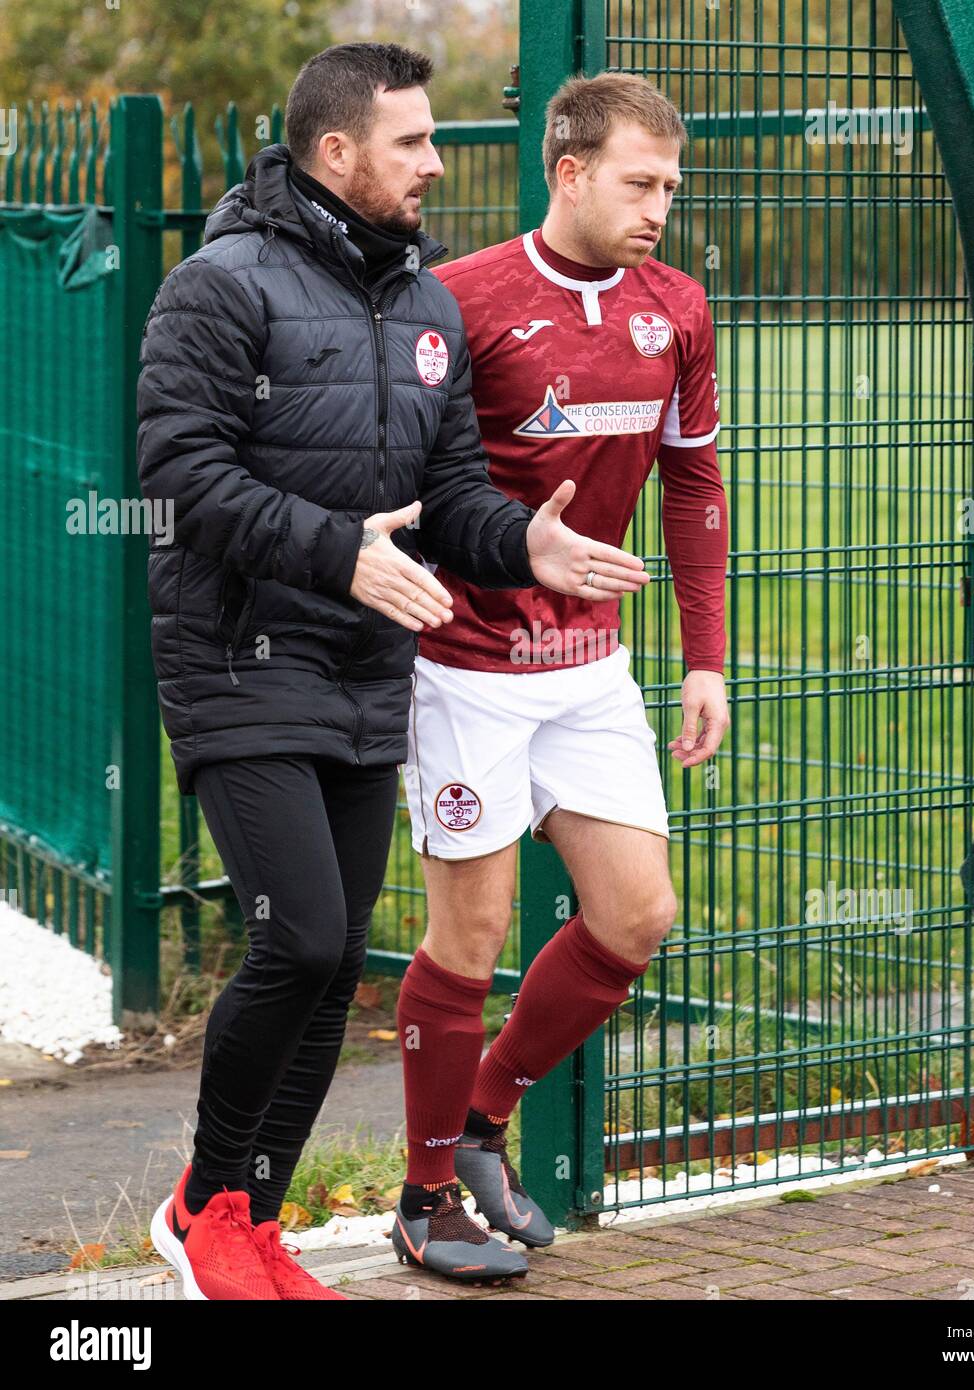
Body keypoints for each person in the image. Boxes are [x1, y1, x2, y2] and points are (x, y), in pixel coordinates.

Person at [138, 43, 647, 1300]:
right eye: (412, 142)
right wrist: (339, 558)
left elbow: (450, 495)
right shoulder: (216, 287)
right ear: (335, 154)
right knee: (297, 936)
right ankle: (201, 1203)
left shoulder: (421, 302)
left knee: (333, 954)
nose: (434, 162)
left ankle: (256, 1221)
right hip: (240, 660)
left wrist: (517, 540)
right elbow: (182, 477)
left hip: (370, 671)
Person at [395, 72, 730, 1277]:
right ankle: (423, 1194)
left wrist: (704, 658)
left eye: (671, 187)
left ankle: (482, 1120)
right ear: (569, 170)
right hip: (465, 661)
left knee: (635, 913)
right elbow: (421, 488)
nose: (660, 207)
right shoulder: (458, 299)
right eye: (640, 183)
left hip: (592, 668)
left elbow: (693, 485)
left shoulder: (673, 305)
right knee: (469, 939)